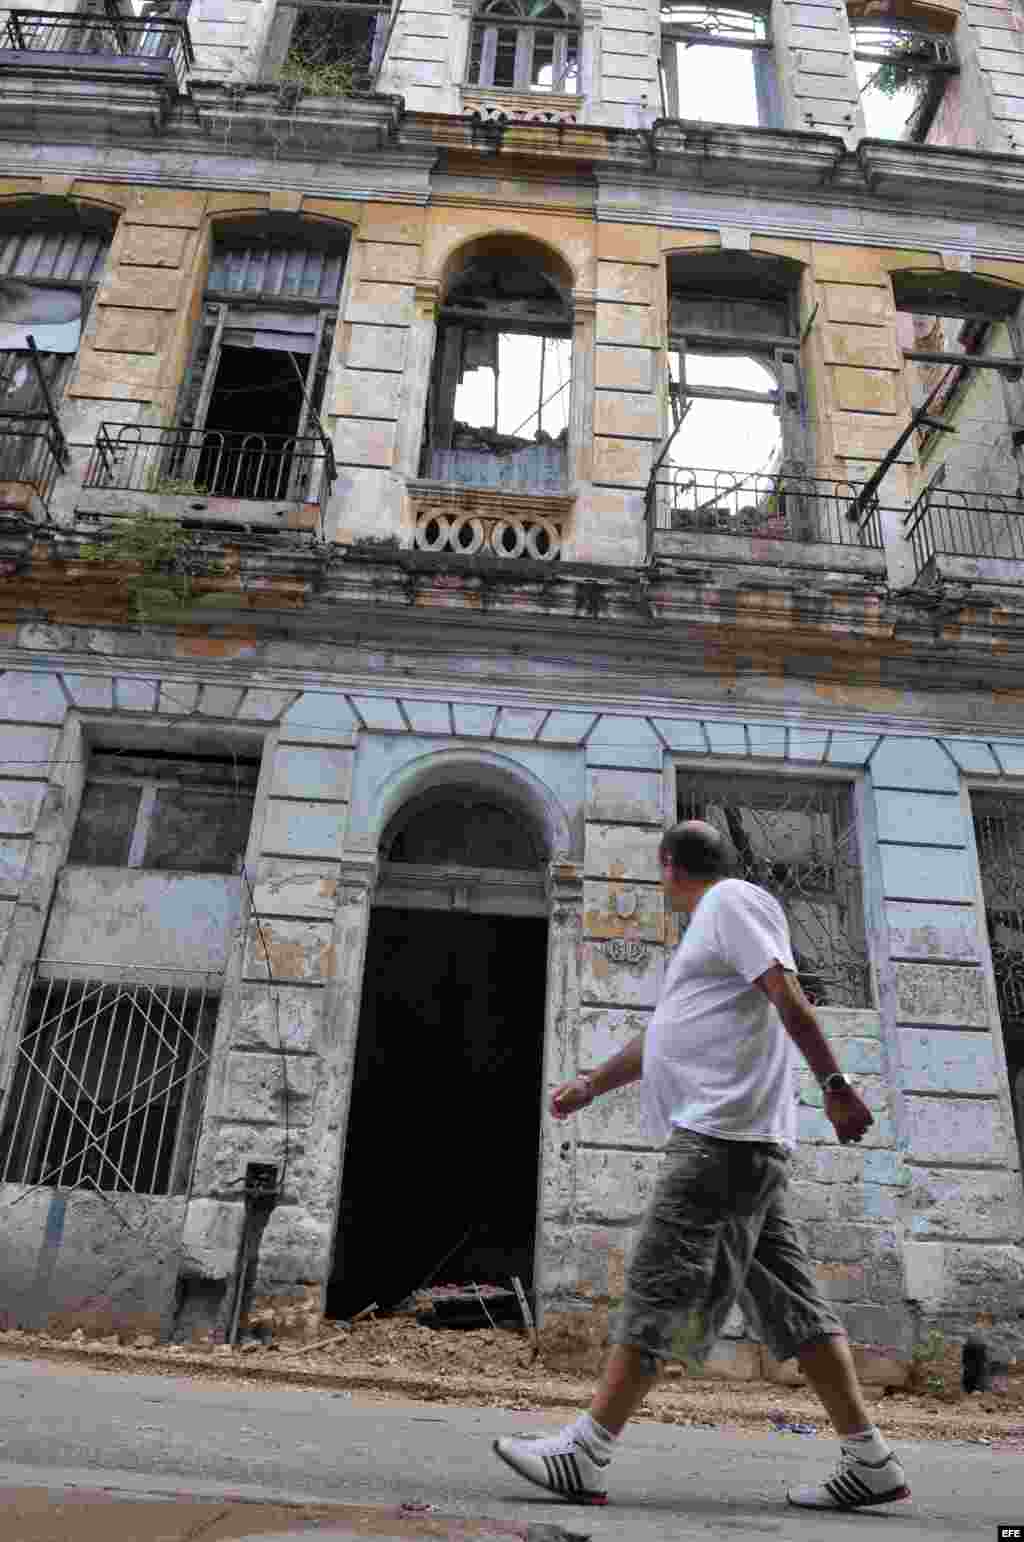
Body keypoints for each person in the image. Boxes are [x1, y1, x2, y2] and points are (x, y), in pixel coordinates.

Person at [493, 820, 911, 1513]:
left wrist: (836, 1087)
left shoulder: (729, 905)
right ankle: (870, 1460)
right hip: (742, 1152)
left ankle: (586, 1452)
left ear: (668, 868)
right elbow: (663, 1039)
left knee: (660, 1286)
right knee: (795, 1308)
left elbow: (787, 997)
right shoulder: (712, 932)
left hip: (719, 1144)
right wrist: (591, 1085)